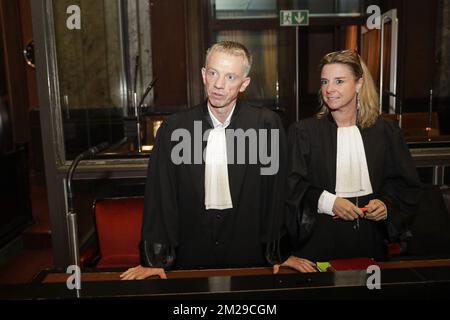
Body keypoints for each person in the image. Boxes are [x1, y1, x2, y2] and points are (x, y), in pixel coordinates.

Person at [121, 41, 288, 280]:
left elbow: (276, 194)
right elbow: (161, 195)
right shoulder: (173, 128)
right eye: (213, 73)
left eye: (231, 77)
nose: (219, 85)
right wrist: (155, 258)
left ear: (245, 84)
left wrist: (279, 253)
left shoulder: (266, 125)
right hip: (189, 251)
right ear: (203, 75)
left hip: (248, 250)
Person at [278, 49, 422, 270]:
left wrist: (385, 204)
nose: (329, 89)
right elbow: (290, 188)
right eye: (325, 81)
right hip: (318, 244)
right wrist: (329, 202)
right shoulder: (303, 132)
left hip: (371, 244)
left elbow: (405, 185)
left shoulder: (386, 131)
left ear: (358, 84)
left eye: (339, 81)